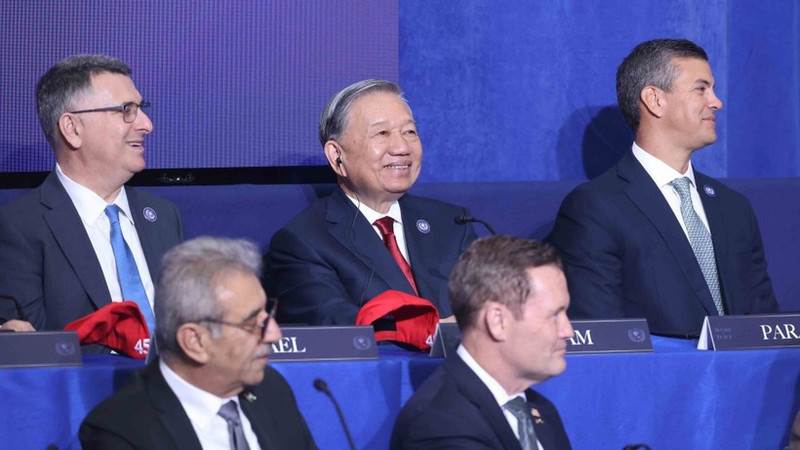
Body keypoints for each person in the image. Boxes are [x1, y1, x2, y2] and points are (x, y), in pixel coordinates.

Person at [546, 38, 778, 336]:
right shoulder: (595, 208)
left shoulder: (734, 207)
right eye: (701, 88)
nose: (716, 102)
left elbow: (767, 328)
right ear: (655, 100)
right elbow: (605, 338)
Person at [0, 55, 184, 345]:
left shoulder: (162, 215)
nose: (146, 124)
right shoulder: (18, 228)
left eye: (141, 109)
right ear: (72, 129)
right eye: (127, 110)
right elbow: (36, 352)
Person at [265, 79, 477, 325]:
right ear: (337, 156)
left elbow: (494, 303)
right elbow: (335, 323)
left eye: (409, 132)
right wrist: (431, 329)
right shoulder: (303, 242)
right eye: (382, 133)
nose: (401, 147)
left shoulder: (452, 224)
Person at [79, 237, 317, 449]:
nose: (274, 334)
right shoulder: (121, 432)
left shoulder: (272, 391)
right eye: (251, 323)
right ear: (195, 342)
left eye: (268, 314)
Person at [391, 235, 573, 449]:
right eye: (554, 315)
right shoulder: (441, 426)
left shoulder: (539, 409)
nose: (568, 331)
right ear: (498, 321)